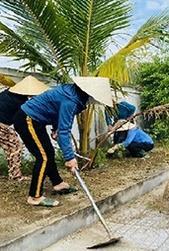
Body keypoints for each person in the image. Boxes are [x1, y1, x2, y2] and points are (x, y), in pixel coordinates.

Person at [14, 77, 113, 207]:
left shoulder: (72, 92)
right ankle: (35, 196)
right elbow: (64, 130)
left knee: (48, 153)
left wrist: (55, 128)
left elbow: (55, 110)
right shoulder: (71, 101)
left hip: (35, 120)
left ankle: (58, 184)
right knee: (44, 157)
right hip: (28, 119)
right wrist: (70, 158)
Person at [0, 77, 50, 182]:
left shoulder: (6, 93)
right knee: (15, 147)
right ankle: (15, 176)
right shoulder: (21, 102)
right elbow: (21, 120)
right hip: (1, 125)